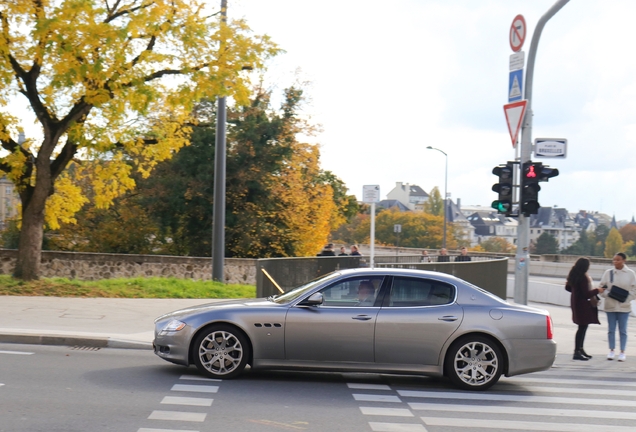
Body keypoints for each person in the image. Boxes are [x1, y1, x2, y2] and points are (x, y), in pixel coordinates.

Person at [598, 252, 636, 362]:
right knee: (611, 329)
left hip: (624, 307)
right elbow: (601, 288)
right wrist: (607, 295)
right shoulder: (608, 273)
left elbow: (634, 289)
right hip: (610, 305)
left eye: (618, 260)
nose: (615, 262)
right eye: (614, 260)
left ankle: (622, 351)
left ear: (624, 260)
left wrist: (627, 299)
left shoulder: (630, 274)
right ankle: (611, 350)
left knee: (623, 330)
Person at [566, 257, 602, 361]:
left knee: (581, 327)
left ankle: (580, 350)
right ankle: (577, 351)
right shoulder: (583, 277)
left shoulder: (573, 275)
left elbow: (567, 288)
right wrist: (597, 290)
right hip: (582, 305)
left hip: (576, 303)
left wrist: (575, 293)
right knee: (582, 328)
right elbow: (586, 294)